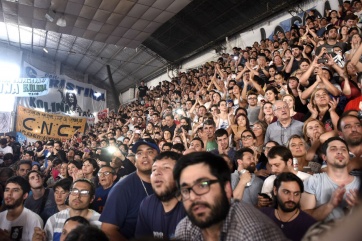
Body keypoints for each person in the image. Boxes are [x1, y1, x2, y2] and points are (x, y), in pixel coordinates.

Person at [173, 152, 287, 241]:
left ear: (226, 188)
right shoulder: (185, 228)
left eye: (202, 185)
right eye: (185, 190)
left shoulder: (253, 233)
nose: (192, 197)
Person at [100, 140, 158, 241]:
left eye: (149, 152)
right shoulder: (122, 188)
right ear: (135, 160)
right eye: (139, 153)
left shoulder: (166, 183)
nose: (144, 156)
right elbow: (107, 230)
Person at [300, 137, 360, 221]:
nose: (340, 152)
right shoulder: (313, 181)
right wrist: (330, 205)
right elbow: (304, 219)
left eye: (343, 149)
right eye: (333, 149)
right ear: (324, 157)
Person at [135, 151, 186, 239]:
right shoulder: (147, 204)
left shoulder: (192, 207)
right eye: (154, 169)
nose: (157, 172)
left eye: (166, 167)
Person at [261, 172, 317, 241]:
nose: (292, 199)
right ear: (275, 190)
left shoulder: (310, 226)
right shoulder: (262, 216)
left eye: (296, 194)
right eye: (286, 192)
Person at [0, 176, 43, 241]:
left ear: (25, 195)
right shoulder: (0, 216)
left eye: (15, 190)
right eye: (7, 190)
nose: (9, 193)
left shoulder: (34, 219)